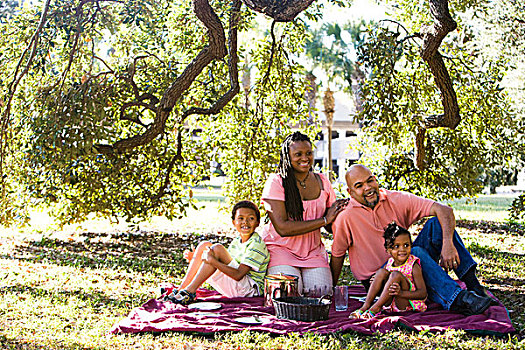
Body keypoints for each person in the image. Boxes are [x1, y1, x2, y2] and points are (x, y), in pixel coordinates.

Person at [331, 164, 495, 316]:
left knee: (437, 224)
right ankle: (459, 300)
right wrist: (330, 291)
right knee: (414, 253)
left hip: (407, 263)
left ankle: (474, 287)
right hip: (380, 279)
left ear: (375, 179)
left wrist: (448, 244)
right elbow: (337, 256)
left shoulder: (394, 199)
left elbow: (443, 210)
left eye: (370, 180)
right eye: (359, 186)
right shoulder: (345, 217)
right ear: (350, 192)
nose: (367, 188)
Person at [260, 131, 348, 294]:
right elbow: (283, 228)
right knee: (287, 294)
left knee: (322, 293)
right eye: (298, 154)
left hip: (312, 253)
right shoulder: (276, 182)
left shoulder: (323, 181)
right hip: (281, 250)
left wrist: (345, 214)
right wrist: (324, 220)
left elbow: (331, 224)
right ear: (287, 156)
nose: (305, 158)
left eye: (308, 153)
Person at [164, 200, 269, 304]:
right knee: (204, 246)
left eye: (250, 218)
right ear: (234, 222)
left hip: (249, 291)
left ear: (257, 223)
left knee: (217, 249)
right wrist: (197, 259)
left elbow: (238, 275)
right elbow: (227, 264)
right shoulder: (236, 241)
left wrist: (212, 261)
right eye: (240, 218)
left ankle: (189, 292)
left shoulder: (256, 244)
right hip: (237, 286)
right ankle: (181, 290)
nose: (245, 222)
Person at [349, 222, 427, 319]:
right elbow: (385, 284)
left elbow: (423, 293)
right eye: (396, 246)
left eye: (406, 245)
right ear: (388, 250)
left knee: (395, 275)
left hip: (406, 304)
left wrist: (401, 293)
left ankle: (375, 308)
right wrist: (377, 281)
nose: (402, 249)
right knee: (381, 272)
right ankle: (366, 306)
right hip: (389, 304)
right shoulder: (389, 263)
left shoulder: (413, 266)